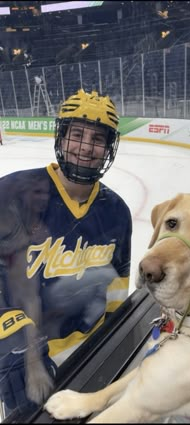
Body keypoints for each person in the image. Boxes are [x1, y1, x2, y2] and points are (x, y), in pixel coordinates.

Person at [0, 89, 132, 417]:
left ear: (109, 147)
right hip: (24, 361)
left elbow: (117, 289)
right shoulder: (11, 194)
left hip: (90, 360)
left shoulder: (117, 212)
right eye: (77, 134)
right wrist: (8, 333)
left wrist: (116, 341)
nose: (86, 147)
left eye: (98, 138)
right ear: (61, 135)